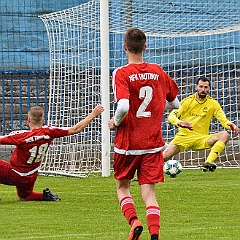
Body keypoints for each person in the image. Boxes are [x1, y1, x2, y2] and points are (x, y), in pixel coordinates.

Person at [108, 28, 179, 240]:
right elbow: (175, 103)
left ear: (125, 47)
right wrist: (156, 107)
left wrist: (115, 122)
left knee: (122, 187)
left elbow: (123, 106)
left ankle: (134, 222)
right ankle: (155, 237)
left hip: (128, 143)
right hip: (152, 144)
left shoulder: (121, 73)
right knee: (149, 194)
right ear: (145, 47)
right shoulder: (158, 71)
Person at [0, 105, 104, 201]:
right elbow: (75, 129)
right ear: (43, 120)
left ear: (28, 120)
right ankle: (45, 196)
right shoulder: (50, 132)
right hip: (31, 176)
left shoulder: (21, 136)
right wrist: (93, 114)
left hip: (15, 174)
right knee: (25, 196)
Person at [163, 76, 238, 172]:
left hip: (202, 139)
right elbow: (171, 116)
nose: (203, 89)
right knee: (163, 157)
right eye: (201, 86)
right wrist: (179, 122)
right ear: (196, 87)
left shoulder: (213, 104)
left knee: (225, 135)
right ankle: (141, 174)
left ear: (209, 89)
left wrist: (230, 124)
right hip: (183, 138)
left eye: (206, 87)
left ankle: (207, 163)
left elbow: (223, 119)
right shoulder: (187, 101)